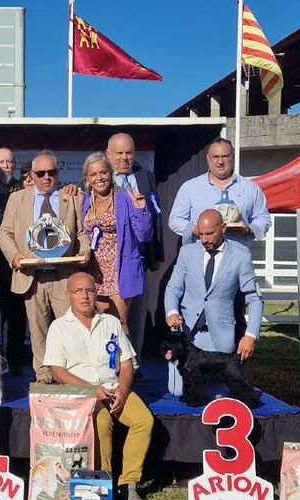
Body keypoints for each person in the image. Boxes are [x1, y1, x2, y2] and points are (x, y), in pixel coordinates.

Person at [45, 272, 153, 500]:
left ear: (96, 294)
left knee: (143, 420)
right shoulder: (59, 327)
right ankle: (105, 486)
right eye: (79, 291)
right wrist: (91, 390)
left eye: (90, 290)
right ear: (68, 295)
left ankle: (128, 485)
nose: (85, 295)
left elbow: (126, 362)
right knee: (102, 423)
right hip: (83, 393)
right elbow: (57, 371)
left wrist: (123, 389)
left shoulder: (111, 322)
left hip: (114, 387)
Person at [0, 150, 90, 384]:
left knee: (70, 328)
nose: (46, 177)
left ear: (58, 173)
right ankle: (43, 376)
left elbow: (81, 233)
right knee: (38, 332)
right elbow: (4, 233)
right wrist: (14, 255)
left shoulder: (73, 197)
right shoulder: (17, 199)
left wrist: (85, 250)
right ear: (32, 175)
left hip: (64, 277)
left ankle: (72, 377)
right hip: (32, 276)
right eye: (41, 173)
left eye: (51, 172)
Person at [164, 209, 264, 358]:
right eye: (201, 234)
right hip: (185, 336)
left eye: (210, 233)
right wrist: (172, 312)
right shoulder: (186, 252)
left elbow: (254, 298)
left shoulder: (241, 256)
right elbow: (173, 289)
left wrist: (251, 335)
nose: (205, 239)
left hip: (220, 342)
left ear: (223, 228)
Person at [81, 151, 153, 330]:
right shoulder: (84, 199)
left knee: (118, 324)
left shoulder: (125, 197)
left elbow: (144, 235)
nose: (99, 178)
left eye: (103, 172)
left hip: (120, 269)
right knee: (100, 325)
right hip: (94, 271)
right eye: (93, 174)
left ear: (111, 173)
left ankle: (125, 351)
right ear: (87, 179)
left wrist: (141, 210)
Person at [105, 132, 161, 349]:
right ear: (108, 154)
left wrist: (156, 253)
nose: (124, 158)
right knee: (113, 318)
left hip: (139, 258)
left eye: (129, 153)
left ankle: (135, 360)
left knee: (136, 318)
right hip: (110, 261)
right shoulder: (100, 177)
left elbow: (156, 213)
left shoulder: (146, 176)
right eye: (119, 153)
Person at [168, 137, 271, 246]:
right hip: (200, 252)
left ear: (232, 157)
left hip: (237, 252)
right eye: (216, 157)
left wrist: (249, 230)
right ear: (208, 158)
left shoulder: (250, 188)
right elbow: (175, 219)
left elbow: (263, 218)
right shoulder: (190, 188)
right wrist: (196, 230)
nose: (220, 161)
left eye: (225, 156)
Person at [0, 148, 28, 373]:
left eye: (10, 162)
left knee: (15, 315)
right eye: (1, 161)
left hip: (15, 262)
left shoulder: (24, 189)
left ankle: (14, 361)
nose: (5, 165)